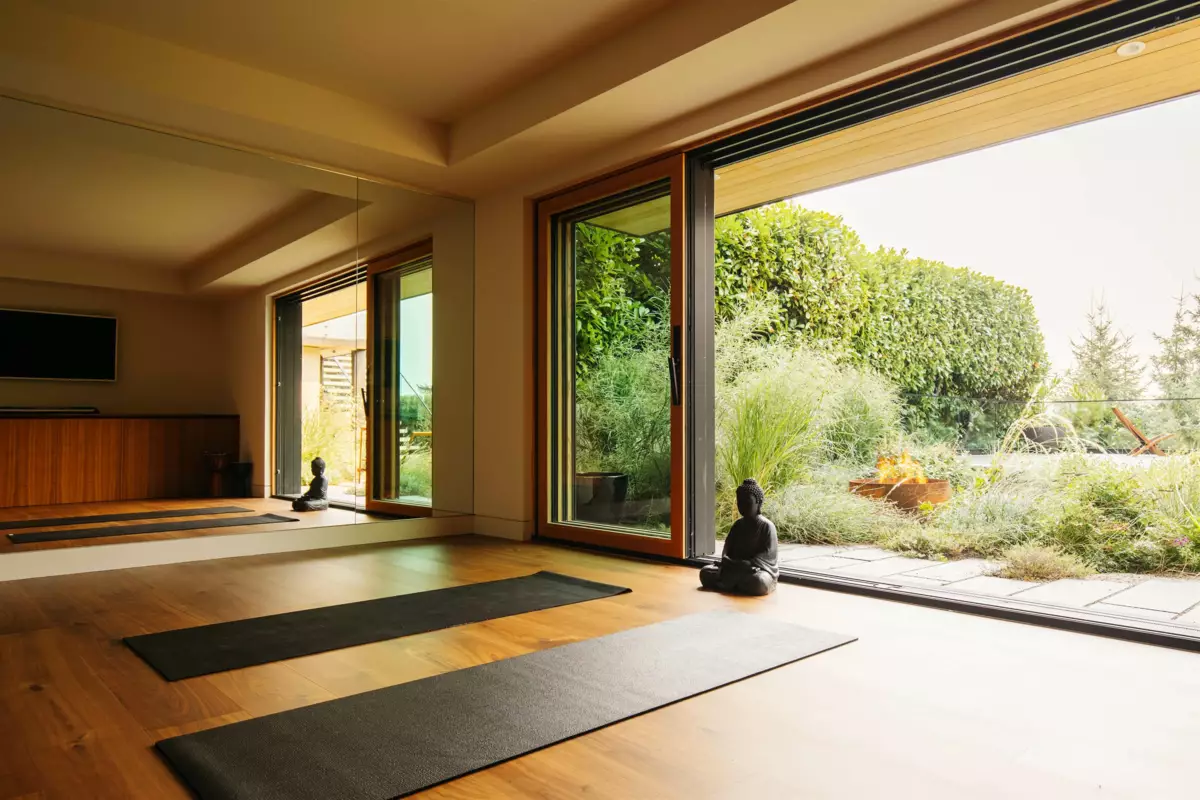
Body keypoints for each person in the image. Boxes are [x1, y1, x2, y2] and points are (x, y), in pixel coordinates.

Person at [700, 478, 778, 596]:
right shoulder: (738, 525)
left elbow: (768, 556)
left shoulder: (767, 526)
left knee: (759, 581)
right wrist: (726, 559)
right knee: (705, 572)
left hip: (754, 569)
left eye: (747, 502)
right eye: (739, 502)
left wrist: (748, 563)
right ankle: (738, 585)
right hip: (734, 567)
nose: (742, 506)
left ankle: (734, 584)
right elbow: (727, 548)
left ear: (759, 502)